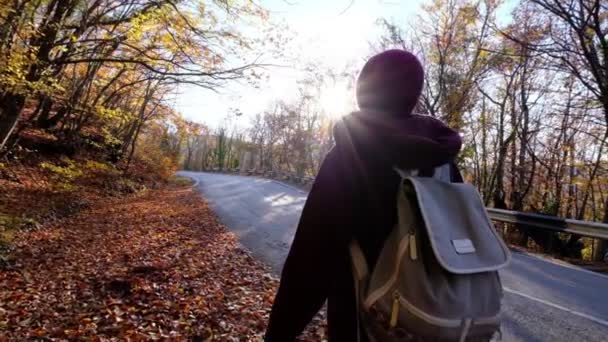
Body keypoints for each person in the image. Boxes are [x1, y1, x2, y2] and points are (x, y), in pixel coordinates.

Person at [265, 49, 463, 341]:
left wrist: (278, 334)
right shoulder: (443, 162)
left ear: (363, 91)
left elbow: (311, 261)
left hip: (364, 323)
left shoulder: (350, 155)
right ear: (415, 94)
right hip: (434, 320)